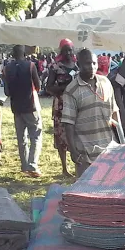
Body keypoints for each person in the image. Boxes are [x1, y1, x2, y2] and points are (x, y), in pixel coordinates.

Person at [62, 49, 119, 177]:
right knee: (85, 193)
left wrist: (121, 140)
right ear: (79, 65)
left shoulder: (106, 82)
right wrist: (72, 150)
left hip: (109, 149)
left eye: (94, 63)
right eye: (87, 63)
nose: (92, 67)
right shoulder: (71, 90)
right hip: (85, 153)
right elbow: (68, 123)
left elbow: (115, 111)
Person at [3, 45, 43, 178]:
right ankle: (32, 165)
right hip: (31, 106)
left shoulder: (7, 68)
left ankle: (24, 166)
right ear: (24, 53)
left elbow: (6, 91)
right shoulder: (30, 65)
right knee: (35, 136)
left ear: (12, 54)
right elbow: (38, 86)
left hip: (16, 107)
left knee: (21, 138)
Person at [46, 39, 77, 177]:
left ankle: (78, 164)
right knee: (61, 135)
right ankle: (64, 168)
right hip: (61, 105)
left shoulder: (78, 66)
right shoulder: (55, 67)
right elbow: (49, 88)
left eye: (70, 49)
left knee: (76, 134)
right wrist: (65, 87)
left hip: (77, 104)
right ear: (61, 51)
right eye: (65, 50)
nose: (68, 53)